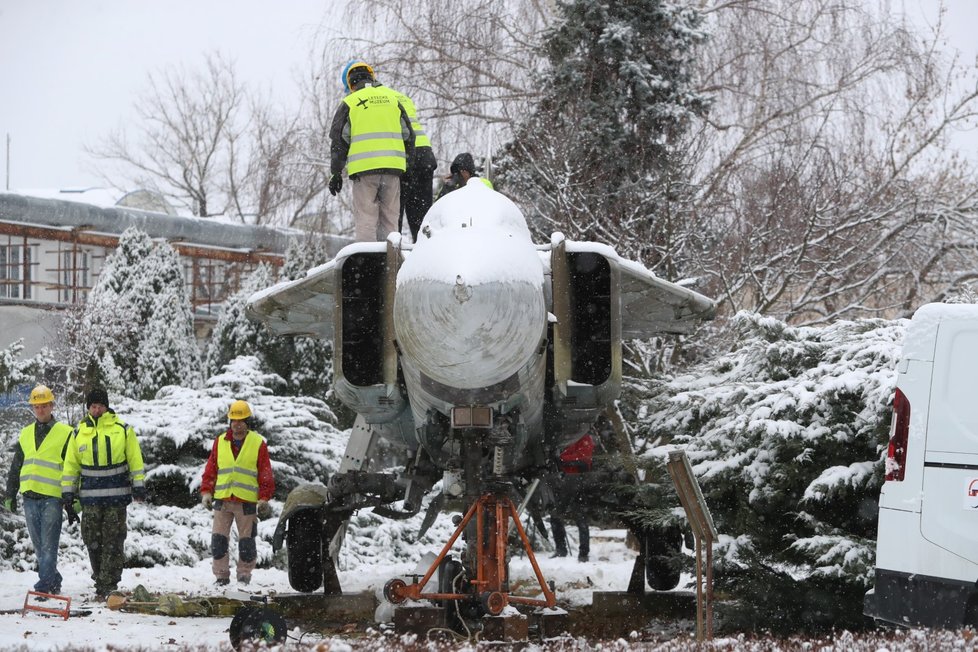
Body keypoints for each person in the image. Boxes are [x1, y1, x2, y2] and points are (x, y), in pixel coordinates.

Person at [62, 387, 146, 600]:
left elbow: (135, 459)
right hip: (90, 498)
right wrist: (68, 494)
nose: (96, 409)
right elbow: (71, 466)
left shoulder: (123, 429)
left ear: (106, 406)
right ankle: (99, 577)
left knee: (114, 539)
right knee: (91, 538)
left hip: (116, 497)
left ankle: (108, 583)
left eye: (99, 405)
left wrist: (139, 484)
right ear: (88, 407)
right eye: (92, 406)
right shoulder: (78, 433)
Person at [328, 61, 415, 243]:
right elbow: (408, 136)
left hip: (365, 172)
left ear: (351, 84)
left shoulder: (350, 103)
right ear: (372, 77)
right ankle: (389, 263)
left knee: (366, 219)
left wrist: (336, 172)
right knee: (390, 220)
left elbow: (339, 141)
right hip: (393, 170)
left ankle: (368, 265)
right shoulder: (393, 101)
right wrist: (408, 166)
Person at [3, 385, 76, 595]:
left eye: (44, 406)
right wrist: (10, 493)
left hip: (53, 497)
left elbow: (73, 467)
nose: (41, 410)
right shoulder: (25, 434)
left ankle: (44, 586)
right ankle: (54, 578)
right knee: (38, 544)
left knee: (49, 544)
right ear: (33, 408)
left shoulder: (66, 433)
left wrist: (73, 495)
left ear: (52, 406)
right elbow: (16, 466)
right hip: (29, 496)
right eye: (37, 406)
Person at [199, 400, 275, 586]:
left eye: (241, 420)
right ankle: (221, 577)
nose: (237, 424)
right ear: (230, 422)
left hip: (246, 502)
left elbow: (265, 472)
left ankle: (244, 576)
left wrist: (264, 497)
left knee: (247, 543)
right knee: (218, 540)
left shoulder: (257, 443)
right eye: (234, 420)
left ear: (247, 422)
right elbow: (211, 468)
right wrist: (207, 491)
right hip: (223, 500)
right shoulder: (220, 442)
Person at [549, 430, 594, 562]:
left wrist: (562, 460)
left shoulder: (584, 438)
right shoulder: (566, 439)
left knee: (580, 518)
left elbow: (584, 460)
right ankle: (561, 549)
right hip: (565, 479)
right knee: (556, 516)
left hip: (579, 480)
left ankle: (583, 553)